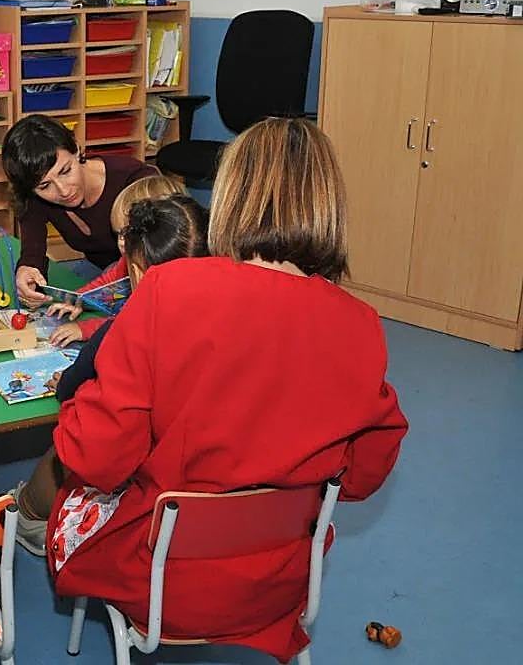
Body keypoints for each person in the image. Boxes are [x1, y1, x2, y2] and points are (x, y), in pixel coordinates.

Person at [48, 118, 409, 662]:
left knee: (70, 498)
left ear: (232, 197)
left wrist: (76, 404)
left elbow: (98, 458)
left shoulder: (169, 289)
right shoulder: (360, 324)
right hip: (279, 582)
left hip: (162, 578)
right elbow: (361, 477)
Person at [11, 193, 209, 555]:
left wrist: (72, 389)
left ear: (137, 272)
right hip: (221, 502)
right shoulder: (237, 324)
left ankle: (26, 513)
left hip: (150, 515)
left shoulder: (123, 336)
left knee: (68, 447)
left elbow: (88, 446)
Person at [2, 115, 156, 308]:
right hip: (102, 276)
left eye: (66, 171)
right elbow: (33, 250)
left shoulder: (134, 180)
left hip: (147, 279)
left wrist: (93, 295)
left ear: (76, 149)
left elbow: (161, 255)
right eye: (45, 186)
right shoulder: (34, 198)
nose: (64, 190)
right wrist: (28, 272)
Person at [46, 174, 186, 347]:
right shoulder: (130, 259)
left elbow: (131, 323)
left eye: (128, 234)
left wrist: (85, 329)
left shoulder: (165, 282)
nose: (121, 241)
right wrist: (77, 299)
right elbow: (108, 282)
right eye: (119, 233)